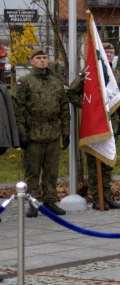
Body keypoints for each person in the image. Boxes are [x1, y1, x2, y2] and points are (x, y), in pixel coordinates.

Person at [12, 48, 69, 217]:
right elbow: (18, 108)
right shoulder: (25, 82)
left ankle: (50, 201)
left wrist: (66, 131)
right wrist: (21, 133)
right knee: (32, 171)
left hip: (52, 133)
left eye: (45, 58)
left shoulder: (56, 82)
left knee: (51, 171)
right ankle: (33, 202)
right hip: (33, 133)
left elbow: (64, 107)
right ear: (32, 61)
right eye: (39, 58)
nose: (43, 61)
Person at [69, 41, 120, 210]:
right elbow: (72, 93)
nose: (108, 54)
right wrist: (88, 107)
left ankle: (106, 196)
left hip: (110, 124)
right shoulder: (88, 73)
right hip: (94, 124)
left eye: (111, 52)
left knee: (108, 161)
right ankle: (96, 198)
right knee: (94, 163)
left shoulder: (117, 75)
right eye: (105, 52)